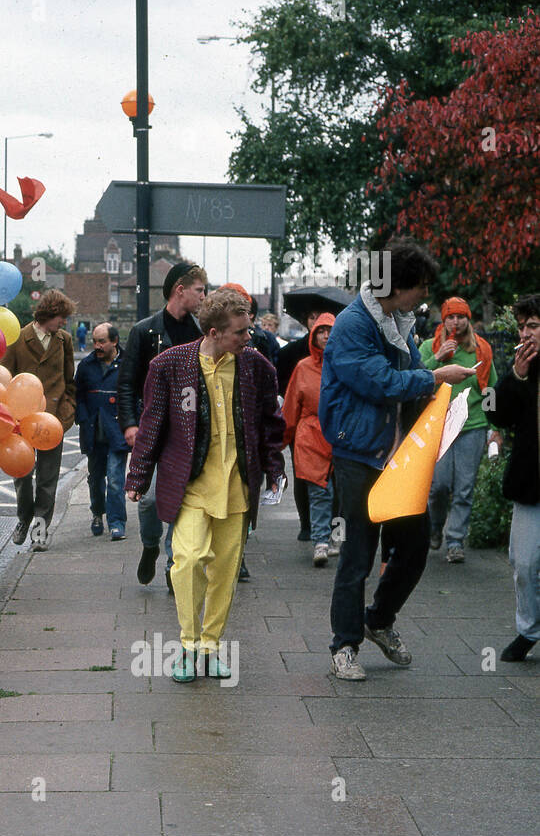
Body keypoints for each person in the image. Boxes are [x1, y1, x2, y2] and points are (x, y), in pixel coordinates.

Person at [319, 238, 476, 681]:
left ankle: (379, 620)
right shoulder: (354, 324)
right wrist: (432, 376)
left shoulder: (397, 319)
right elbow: (380, 382)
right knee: (359, 552)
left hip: (398, 453)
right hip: (358, 452)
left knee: (413, 546)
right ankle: (344, 646)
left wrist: (432, 386)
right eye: (421, 286)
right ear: (399, 286)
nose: (426, 294)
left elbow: (401, 381)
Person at [125, 289, 285, 681]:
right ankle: (188, 643)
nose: (249, 338)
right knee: (189, 559)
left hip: (236, 486)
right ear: (214, 332)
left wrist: (275, 470)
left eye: (249, 331)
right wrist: (138, 476)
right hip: (190, 484)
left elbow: (270, 424)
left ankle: (212, 646)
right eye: (241, 333)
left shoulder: (256, 367)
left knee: (226, 570)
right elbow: (152, 423)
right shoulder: (169, 365)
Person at [118, 262, 207, 589]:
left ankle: (175, 567)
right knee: (150, 500)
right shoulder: (145, 331)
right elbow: (126, 382)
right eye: (199, 290)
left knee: (183, 500)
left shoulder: (201, 332)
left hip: (188, 432)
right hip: (153, 429)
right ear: (179, 290)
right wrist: (129, 423)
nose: (203, 297)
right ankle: (151, 544)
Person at [418, 297, 503, 563]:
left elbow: (490, 389)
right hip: (439, 426)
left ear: (468, 318)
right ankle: (434, 527)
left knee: (464, 487)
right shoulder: (428, 347)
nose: (456, 322)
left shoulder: (482, 349)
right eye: (451, 317)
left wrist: (494, 426)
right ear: (443, 320)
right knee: (439, 486)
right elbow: (416, 378)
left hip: (472, 424)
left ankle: (455, 539)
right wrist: (438, 357)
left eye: (461, 316)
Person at [483, 294, 540, 662]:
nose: (525, 333)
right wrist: (516, 376)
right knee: (525, 562)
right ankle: (528, 630)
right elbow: (496, 414)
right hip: (531, 482)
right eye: (522, 327)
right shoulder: (522, 368)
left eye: (533, 325)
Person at [0, 289, 77, 552]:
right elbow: (5, 376)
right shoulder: (19, 338)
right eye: (61, 317)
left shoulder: (64, 340)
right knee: (22, 474)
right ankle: (23, 519)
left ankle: (40, 532)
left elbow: (70, 379)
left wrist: (69, 409)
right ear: (49, 314)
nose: (64, 323)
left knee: (48, 478)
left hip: (53, 420)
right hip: (21, 420)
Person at [283, 313, 337, 566]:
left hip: (340, 435)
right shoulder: (303, 367)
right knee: (319, 492)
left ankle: (336, 538)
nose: (326, 335)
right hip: (311, 436)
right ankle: (321, 542)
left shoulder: (346, 363)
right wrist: (280, 441)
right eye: (321, 331)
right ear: (313, 336)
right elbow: (291, 405)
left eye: (330, 331)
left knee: (344, 494)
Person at [75, 322, 129, 540]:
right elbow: (77, 395)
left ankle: (117, 523)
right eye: (94, 341)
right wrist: (83, 417)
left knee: (115, 479)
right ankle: (97, 513)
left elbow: (135, 396)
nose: (96, 345)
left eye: (101, 341)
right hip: (93, 432)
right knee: (96, 478)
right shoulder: (86, 366)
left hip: (117, 431)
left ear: (114, 341)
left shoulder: (127, 365)